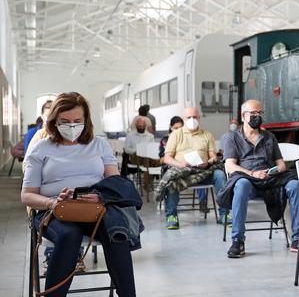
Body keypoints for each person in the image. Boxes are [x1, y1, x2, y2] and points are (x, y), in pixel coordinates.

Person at [21, 92, 137, 297]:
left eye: (77, 121)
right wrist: (51, 202)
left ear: (86, 121)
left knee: (116, 232)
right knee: (69, 235)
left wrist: (101, 197)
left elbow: (115, 183)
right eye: (65, 121)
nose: (72, 126)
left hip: (94, 207)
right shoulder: (41, 148)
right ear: (54, 121)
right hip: (53, 210)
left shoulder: (99, 144)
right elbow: (27, 195)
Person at [220, 99, 299, 258]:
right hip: (248, 180)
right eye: (253, 113)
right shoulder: (231, 137)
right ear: (243, 116)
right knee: (240, 185)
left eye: (260, 113)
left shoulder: (269, 137)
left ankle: (297, 238)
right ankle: (237, 241)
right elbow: (230, 166)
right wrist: (253, 174)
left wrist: (272, 171)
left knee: (295, 185)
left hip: (271, 181)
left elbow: (281, 165)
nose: (257, 116)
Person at [161, 107, 227, 229]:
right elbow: (167, 158)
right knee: (171, 177)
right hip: (183, 172)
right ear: (184, 119)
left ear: (199, 118)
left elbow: (214, 157)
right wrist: (180, 164)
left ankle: (224, 214)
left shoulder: (207, 135)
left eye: (194, 117)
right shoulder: (176, 135)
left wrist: (208, 162)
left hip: (203, 171)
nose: (192, 119)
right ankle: (171, 216)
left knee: (220, 175)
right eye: (189, 117)